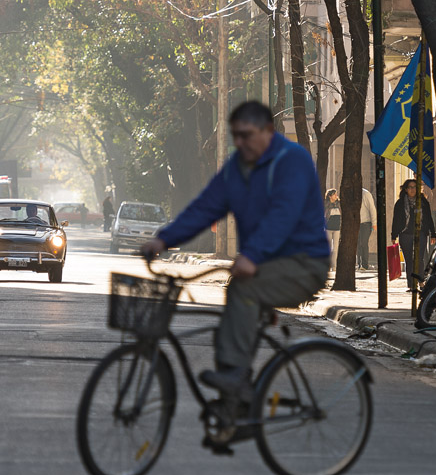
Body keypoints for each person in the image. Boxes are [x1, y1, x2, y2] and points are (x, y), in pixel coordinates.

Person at [140, 101, 331, 397]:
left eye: (247, 135)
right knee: (237, 302)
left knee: (242, 290)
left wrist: (252, 256)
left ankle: (236, 376)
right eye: (236, 136)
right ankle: (233, 408)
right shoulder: (237, 168)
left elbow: (283, 214)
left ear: (268, 131)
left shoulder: (292, 159)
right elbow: (205, 207)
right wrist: (163, 239)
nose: (240, 142)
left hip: (303, 264)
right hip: (265, 265)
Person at [391, 179, 435, 291]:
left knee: (419, 259)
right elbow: (396, 220)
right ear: (405, 189)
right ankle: (411, 285)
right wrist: (394, 235)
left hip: (420, 233)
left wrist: (433, 233)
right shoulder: (400, 203)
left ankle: (421, 281)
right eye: (410, 187)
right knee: (409, 260)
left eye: (414, 187)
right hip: (405, 234)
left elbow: (429, 218)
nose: (412, 189)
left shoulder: (423, 202)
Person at [358, 187, 376, 270]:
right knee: (358, 244)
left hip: (366, 223)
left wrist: (374, 223)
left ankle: (364, 265)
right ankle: (359, 264)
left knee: (363, 243)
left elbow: (372, 209)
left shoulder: (366, 193)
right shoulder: (351, 192)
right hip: (356, 224)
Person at [324, 188, 341, 270]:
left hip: (337, 228)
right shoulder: (326, 205)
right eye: (334, 194)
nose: (336, 195)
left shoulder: (339, 204)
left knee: (335, 249)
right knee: (328, 247)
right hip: (328, 228)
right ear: (330, 196)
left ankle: (334, 266)